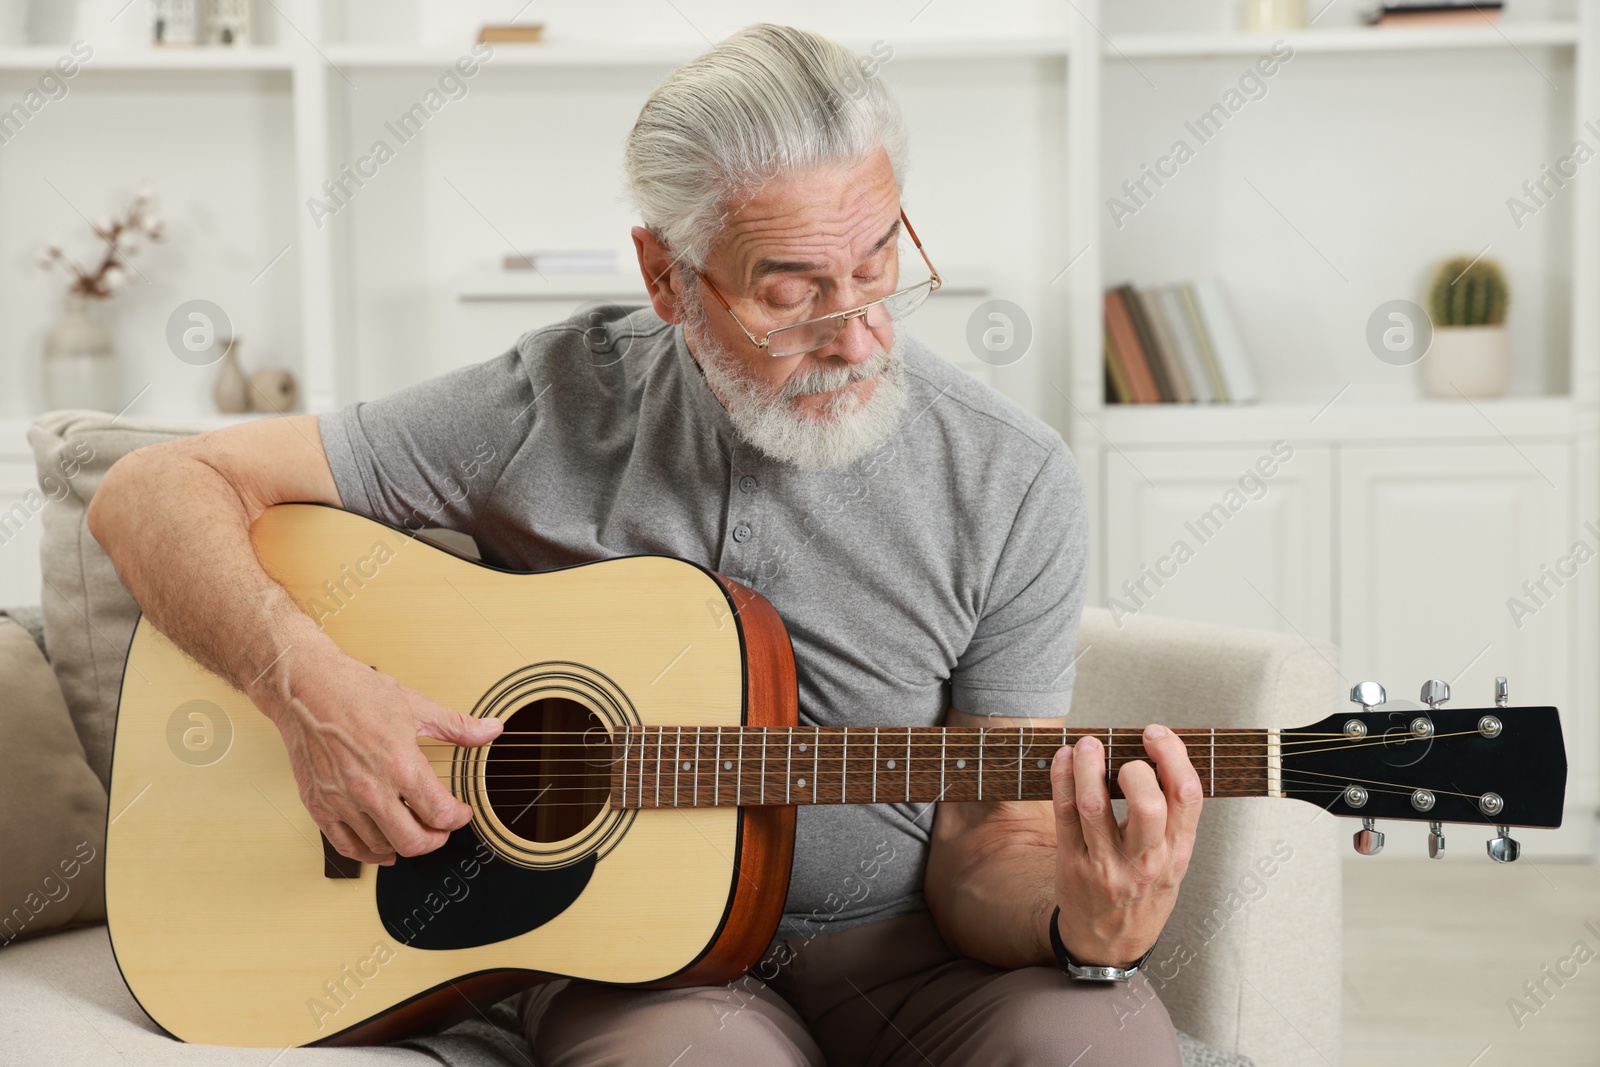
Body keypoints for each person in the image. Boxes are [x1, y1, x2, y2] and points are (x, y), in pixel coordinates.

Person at [89, 23, 1201, 1067]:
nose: (858, 335)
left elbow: (987, 834)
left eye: (876, 265)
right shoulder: (547, 402)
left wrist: (1079, 919)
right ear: (665, 275)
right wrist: (306, 686)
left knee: (1101, 1039)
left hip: (908, 951)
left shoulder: (1013, 476)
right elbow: (155, 487)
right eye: (791, 292)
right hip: (631, 962)